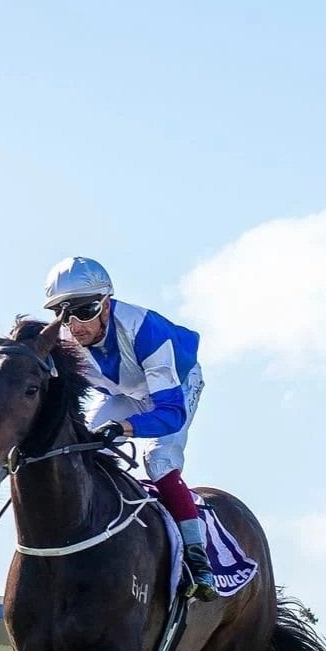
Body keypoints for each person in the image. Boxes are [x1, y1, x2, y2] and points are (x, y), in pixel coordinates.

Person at [43, 255, 215, 600]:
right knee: (83, 446)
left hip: (174, 389)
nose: (75, 325)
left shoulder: (145, 329)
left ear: (106, 303)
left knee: (159, 461)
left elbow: (169, 414)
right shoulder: (63, 341)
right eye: (64, 313)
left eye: (85, 310)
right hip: (128, 390)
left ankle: (198, 559)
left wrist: (125, 426)